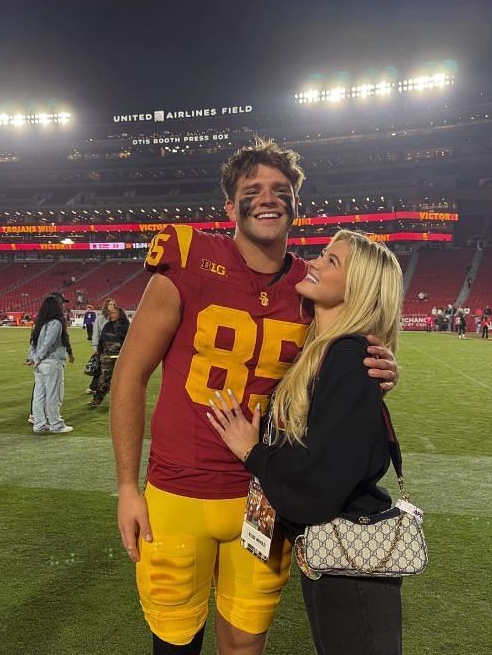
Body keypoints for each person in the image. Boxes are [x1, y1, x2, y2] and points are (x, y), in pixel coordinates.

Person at [110, 138, 397, 655]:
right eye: (253, 189)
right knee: (174, 639)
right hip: (179, 489)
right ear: (229, 206)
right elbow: (130, 376)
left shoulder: (312, 286)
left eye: (280, 190)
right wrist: (126, 487)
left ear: (295, 205)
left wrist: (380, 365)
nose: (268, 198)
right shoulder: (189, 257)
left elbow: (343, 356)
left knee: (246, 643)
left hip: (261, 494)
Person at [206, 229, 406, 654]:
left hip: (351, 558)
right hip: (333, 554)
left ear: (360, 287)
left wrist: (250, 449)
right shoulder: (326, 351)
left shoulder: (349, 357)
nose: (312, 262)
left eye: (331, 261)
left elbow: (316, 485)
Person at [26, 294, 73, 434]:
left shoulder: (40, 322)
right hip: (51, 362)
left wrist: (32, 358)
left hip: (40, 364)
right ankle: (56, 424)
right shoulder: (56, 323)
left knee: (39, 395)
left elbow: (33, 343)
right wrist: (38, 358)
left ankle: (39, 425)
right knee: (54, 394)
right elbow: (47, 343)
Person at [88, 303, 129, 407]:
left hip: (120, 358)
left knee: (121, 380)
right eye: (110, 313)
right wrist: (99, 352)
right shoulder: (107, 325)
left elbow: (129, 342)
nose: (111, 315)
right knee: (103, 379)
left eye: (113, 313)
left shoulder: (126, 326)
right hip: (106, 357)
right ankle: (96, 400)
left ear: (120, 314)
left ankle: (120, 401)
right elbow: (102, 340)